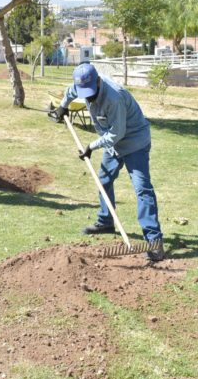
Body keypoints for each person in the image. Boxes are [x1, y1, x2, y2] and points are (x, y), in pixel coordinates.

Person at [54, 63, 165, 262]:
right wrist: (63, 107)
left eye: (90, 92)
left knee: (142, 188)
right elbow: (70, 92)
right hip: (113, 144)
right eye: (84, 93)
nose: (88, 97)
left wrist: (91, 146)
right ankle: (105, 221)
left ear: (97, 80)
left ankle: (155, 241)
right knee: (103, 180)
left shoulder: (114, 97)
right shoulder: (82, 86)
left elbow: (116, 133)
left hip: (134, 142)